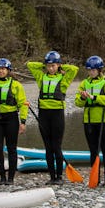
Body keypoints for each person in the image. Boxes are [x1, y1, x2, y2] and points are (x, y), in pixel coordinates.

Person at [26, 51, 78, 185]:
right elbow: (31, 65)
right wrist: (44, 64)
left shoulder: (64, 79)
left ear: (58, 65)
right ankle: (52, 177)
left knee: (56, 146)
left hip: (57, 114)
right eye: (48, 66)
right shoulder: (41, 77)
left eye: (53, 65)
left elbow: (74, 69)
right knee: (48, 147)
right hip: (44, 114)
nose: (50, 68)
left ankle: (59, 176)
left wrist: (61, 67)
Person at [74, 55, 105, 186]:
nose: (91, 72)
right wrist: (82, 98)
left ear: (99, 70)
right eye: (89, 70)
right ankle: (95, 177)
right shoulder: (84, 84)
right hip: (89, 122)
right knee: (93, 151)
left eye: (93, 70)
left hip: (104, 121)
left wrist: (93, 97)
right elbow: (77, 103)